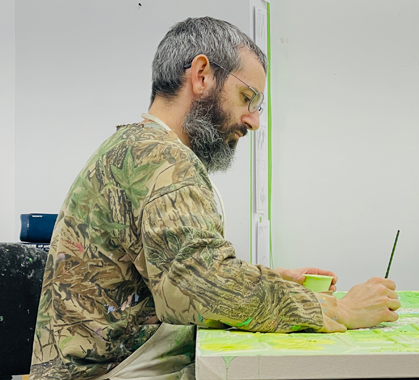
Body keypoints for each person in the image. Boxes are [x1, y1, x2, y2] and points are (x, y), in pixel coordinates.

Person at [30, 17, 400, 380]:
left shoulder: (136, 146)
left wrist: (272, 279)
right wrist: (338, 309)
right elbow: (198, 288)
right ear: (202, 75)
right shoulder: (160, 159)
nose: (254, 120)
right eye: (247, 97)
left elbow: (186, 268)